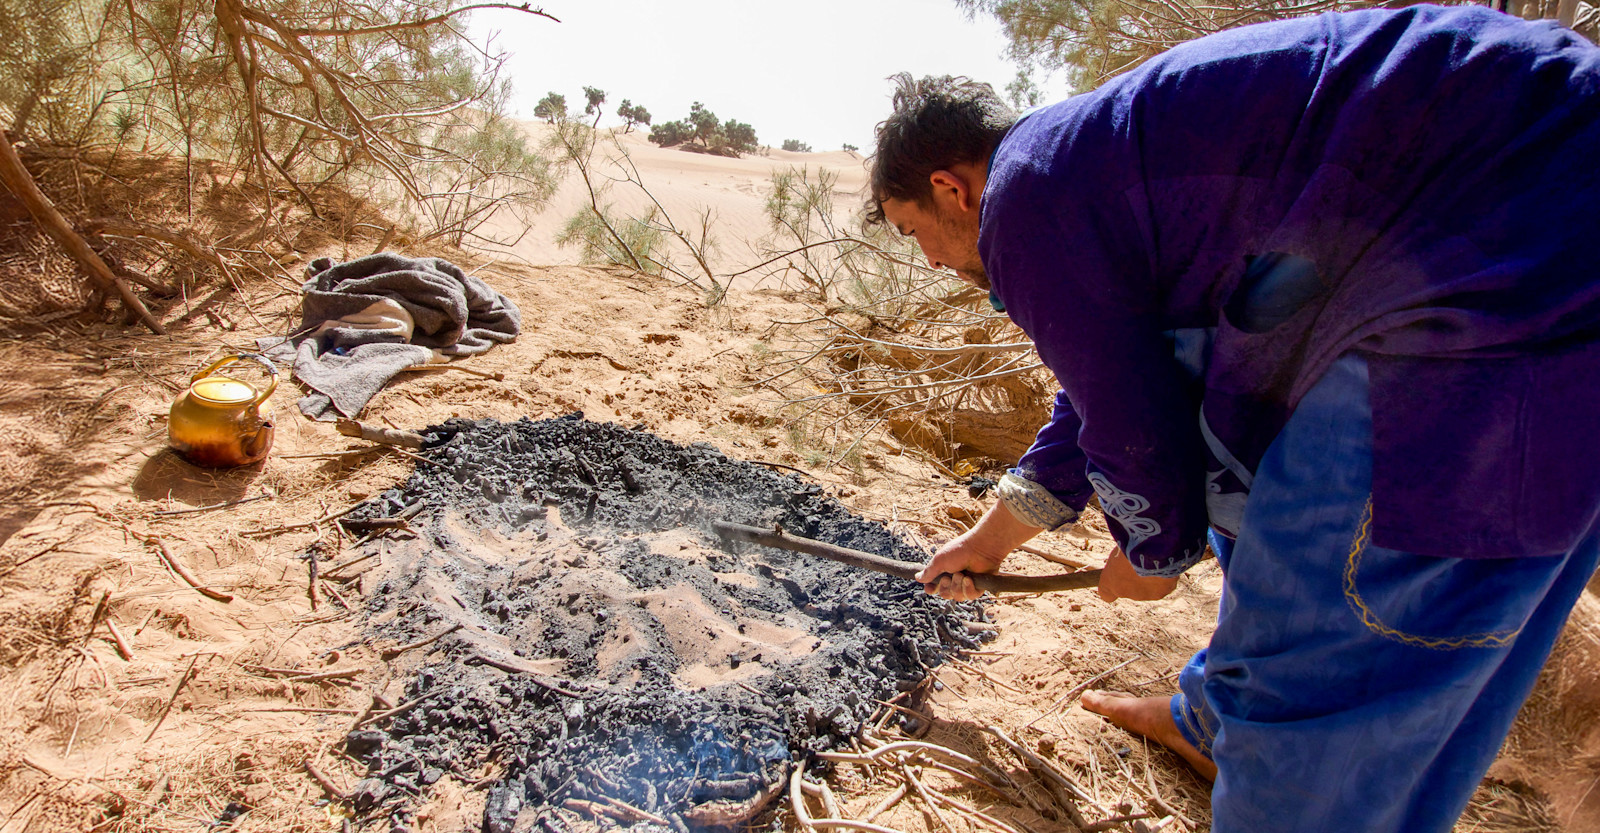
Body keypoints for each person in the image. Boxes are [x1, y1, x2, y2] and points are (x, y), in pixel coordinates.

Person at [873, 5, 1600, 831]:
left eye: (913, 234)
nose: (930, 260)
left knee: (1324, 693)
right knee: (1281, 511)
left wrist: (1152, 551)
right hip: (1546, 224)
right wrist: (989, 543)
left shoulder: (1024, 199)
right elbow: (1100, 387)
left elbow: (1129, 413)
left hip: (1490, 278)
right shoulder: (1084, 161)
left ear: (948, 187)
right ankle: (1211, 722)